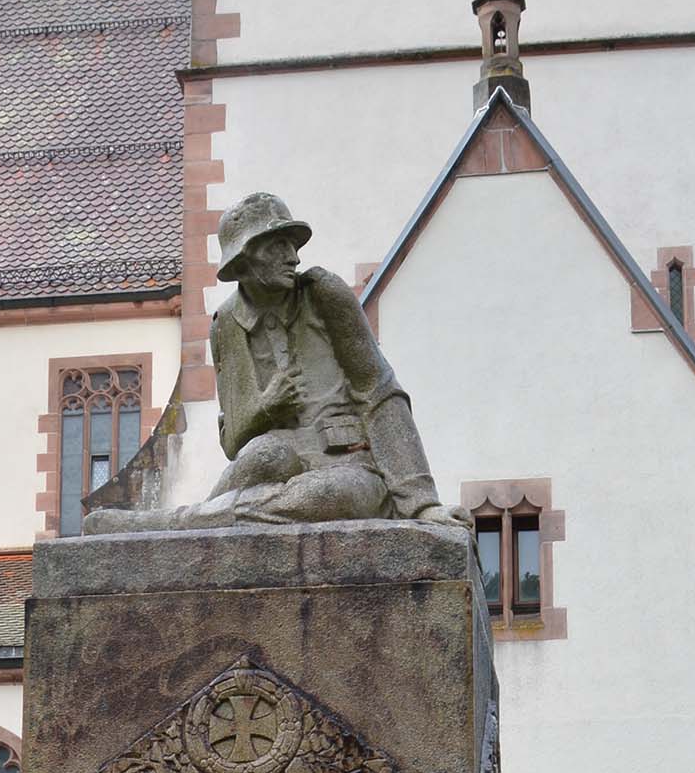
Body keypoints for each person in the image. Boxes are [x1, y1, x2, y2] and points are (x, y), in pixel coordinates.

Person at [85, 190, 451, 530]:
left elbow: (380, 392)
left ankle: (179, 525)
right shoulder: (226, 325)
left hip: (346, 463)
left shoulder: (324, 294)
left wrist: (421, 503)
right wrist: (265, 406)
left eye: (292, 245)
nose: (294, 257)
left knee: (327, 494)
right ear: (244, 260)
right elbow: (232, 442)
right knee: (264, 455)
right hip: (278, 458)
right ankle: (205, 522)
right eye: (278, 246)